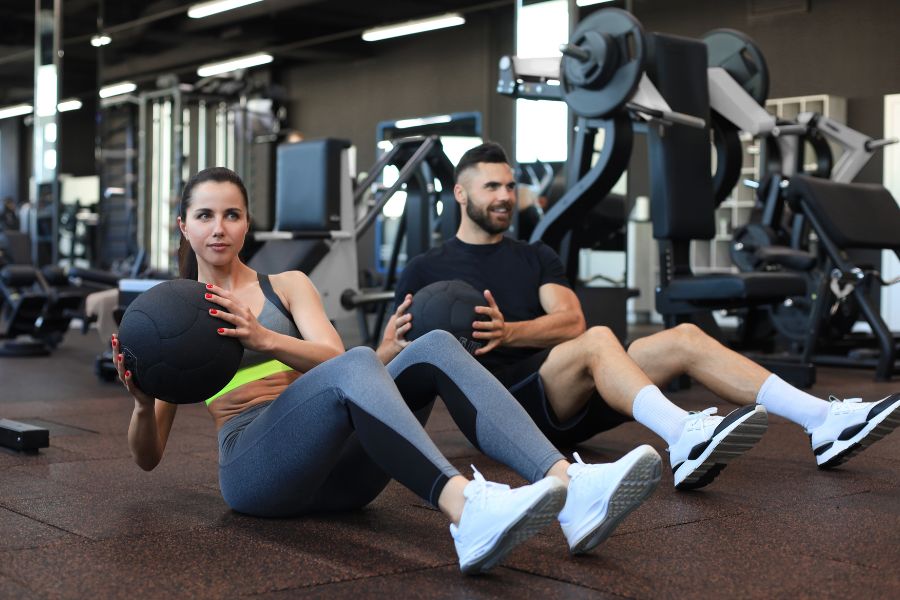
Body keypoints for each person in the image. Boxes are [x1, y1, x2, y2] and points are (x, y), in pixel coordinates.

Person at [116, 166, 663, 576]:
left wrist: (263, 338)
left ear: (247, 223)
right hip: (258, 474)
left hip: (344, 475)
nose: (219, 228)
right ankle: (465, 510)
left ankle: (572, 486)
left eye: (231, 214)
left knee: (435, 346)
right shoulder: (176, 318)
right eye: (205, 215)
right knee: (359, 362)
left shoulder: (286, 286)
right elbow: (147, 459)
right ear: (183, 225)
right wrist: (143, 402)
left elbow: (334, 360)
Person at [388, 142, 900, 489]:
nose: (504, 197)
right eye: (490, 188)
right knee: (601, 340)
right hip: (498, 413)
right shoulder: (425, 268)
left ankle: (822, 421)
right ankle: (682, 436)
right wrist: (390, 342)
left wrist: (511, 330)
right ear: (460, 194)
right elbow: (394, 359)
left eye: (509, 186)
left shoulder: (533, 254)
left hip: (562, 391)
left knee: (683, 337)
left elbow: (570, 322)